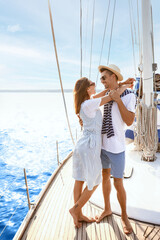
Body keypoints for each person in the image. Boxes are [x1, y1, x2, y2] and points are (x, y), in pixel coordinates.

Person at [69, 76, 132, 228]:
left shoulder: (86, 101)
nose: (95, 85)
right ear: (87, 88)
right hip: (90, 145)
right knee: (95, 180)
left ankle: (79, 216)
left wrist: (122, 83)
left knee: (79, 179)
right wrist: (125, 87)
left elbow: (106, 91)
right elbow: (111, 96)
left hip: (82, 144)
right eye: (92, 84)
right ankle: (75, 210)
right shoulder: (90, 103)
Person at [95, 64, 136, 235]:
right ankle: (107, 209)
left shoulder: (128, 95)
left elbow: (129, 121)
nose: (102, 81)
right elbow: (90, 100)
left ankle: (125, 217)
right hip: (103, 146)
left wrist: (118, 99)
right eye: (101, 78)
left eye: (104, 77)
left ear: (113, 76)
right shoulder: (105, 95)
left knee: (118, 183)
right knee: (105, 177)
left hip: (117, 148)